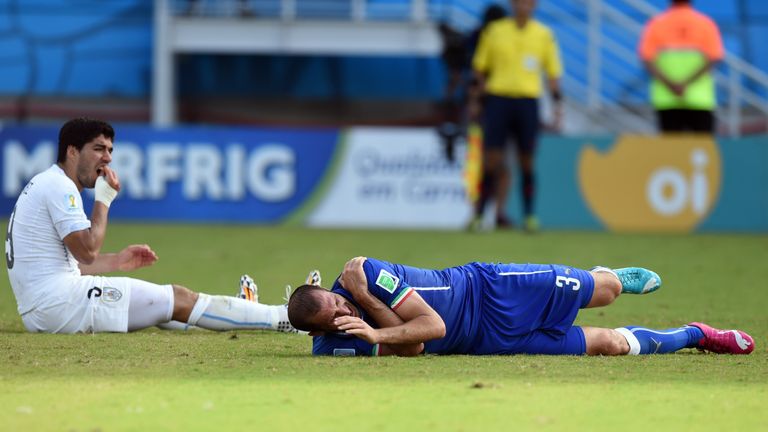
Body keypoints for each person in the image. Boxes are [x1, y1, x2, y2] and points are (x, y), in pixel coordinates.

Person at [4, 118, 297, 334]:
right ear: (71, 151)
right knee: (179, 299)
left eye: (109, 150)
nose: (107, 157)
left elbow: (68, 263)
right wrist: (104, 199)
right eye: (98, 149)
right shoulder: (60, 187)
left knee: (161, 311)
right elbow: (88, 251)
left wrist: (117, 260)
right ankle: (285, 318)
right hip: (59, 305)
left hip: (45, 308)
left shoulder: (47, 182)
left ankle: (247, 313)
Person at [287, 257, 754, 357]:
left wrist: (367, 302)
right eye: (334, 314)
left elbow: (432, 325)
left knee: (606, 294)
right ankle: (697, 334)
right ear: (318, 332)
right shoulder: (332, 348)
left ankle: (606, 274)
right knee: (610, 344)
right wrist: (372, 335)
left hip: (491, 289)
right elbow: (413, 350)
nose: (344, 307)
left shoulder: (362, 276)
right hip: (490, 341)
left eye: (337, 299)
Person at [468, 0, 563, 232]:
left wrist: (558, 106)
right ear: (512, 4)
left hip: (527, 103)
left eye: (529, 1)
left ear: (535, 4)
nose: (524, 4)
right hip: (498, 100)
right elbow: (479, 69)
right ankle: (480, 216)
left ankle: (530, 216)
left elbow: (552, 74)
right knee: (490, 160)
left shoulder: (544, 35)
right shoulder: (495, 31)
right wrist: (477, 100)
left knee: (527, 161)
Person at [638, 0, 724, 133]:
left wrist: (672, 85)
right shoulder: (705, 23)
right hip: (699, 98)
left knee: (672, 151)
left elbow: (647, 59)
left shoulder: (657, 23)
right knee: (702, 149)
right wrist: (686, 84)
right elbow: (713, 58)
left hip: (667, 97)